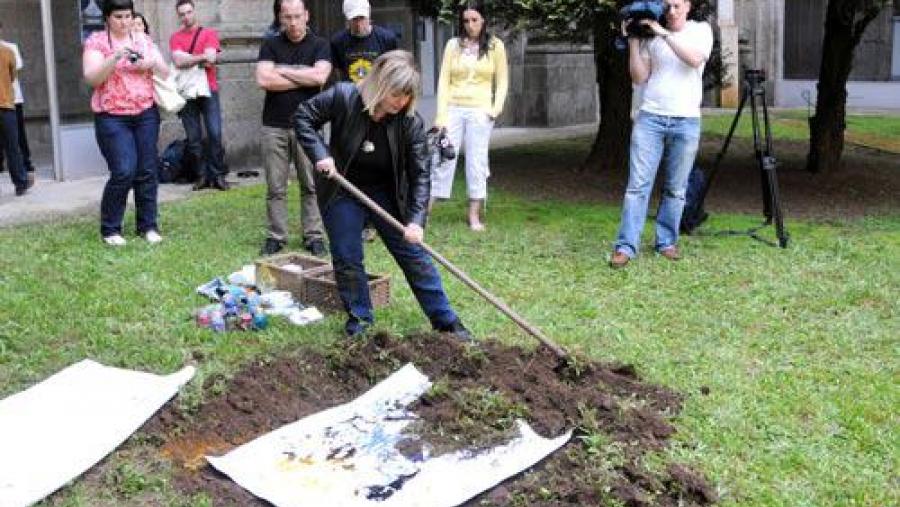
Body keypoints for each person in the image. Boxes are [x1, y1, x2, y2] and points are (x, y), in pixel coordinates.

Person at [294, 50, 471, 340]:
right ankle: (360, 321)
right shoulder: (343, 96)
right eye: (396, 94)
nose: (401, 102)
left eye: (407, 96)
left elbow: (420, 175)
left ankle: (447, 323)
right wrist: (320, 154)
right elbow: (303, 116)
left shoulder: (410, 122)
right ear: (379, 83)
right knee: (347, 256)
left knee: (414, 256)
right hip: (343, 189)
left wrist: (415, 221)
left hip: (387, 194)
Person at [609, 0, 712, 268]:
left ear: (688, 6)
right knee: (637, 186)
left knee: (676, 188)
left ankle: (666, 241)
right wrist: (634, 41)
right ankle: (625, 246)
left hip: (686, 120)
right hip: (650, 118)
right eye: (667, 6)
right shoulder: (650, 35)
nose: (671, 11)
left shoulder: (700, 30)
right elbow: (639, 77)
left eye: (677, 5)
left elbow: (694, 59)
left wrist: (663, 33)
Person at [82, 0, 169, 246]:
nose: (124, 22)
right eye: (118, 17)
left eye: (128, 16)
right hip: (111, 116)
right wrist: (115, 57)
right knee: (123, 170)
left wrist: (149, 63)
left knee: (147, 171)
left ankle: (148, 226)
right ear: (107, 18)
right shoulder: (97, 42)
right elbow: (92, 78)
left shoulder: (142, 40)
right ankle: (111, 229)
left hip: (145, 113)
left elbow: (165, 72)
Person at [256, 0, 329, 257]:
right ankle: (276, 236)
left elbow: (320, 77)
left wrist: (282, 70)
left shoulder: (320, 45)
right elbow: (263, 79)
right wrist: (303, 76)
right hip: (274, 125)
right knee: (275, 187)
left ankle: (314, 235)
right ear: (280, 18)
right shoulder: (270, 44)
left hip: (308, 126)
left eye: (297, 16)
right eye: (287, 17)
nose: (293, 22)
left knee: (312, 185)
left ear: (306, 15)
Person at [431, 1, 508, 232]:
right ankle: (425, 209)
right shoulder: (452, 45)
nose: (470, 25)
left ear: (483, 20)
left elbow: (502, 81)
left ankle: (474, 214)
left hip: (480, 110)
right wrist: (441, 116)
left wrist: (494, 110)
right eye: (466, 20)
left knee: (477, 161)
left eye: (474, 20)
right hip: (453, 108)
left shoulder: (495, 46)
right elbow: (443, 81)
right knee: (443, 157)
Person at [330, 0, 398, 243]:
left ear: (369, 16)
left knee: (378, 162)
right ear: (347, 20)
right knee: (352, 163)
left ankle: (378, 217)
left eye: (361, 18)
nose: (358, 24)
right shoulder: (338, 42)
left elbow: (393, 72)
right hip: (352, 110)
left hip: (379, 108)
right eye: (353, 20)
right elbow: (338, 74)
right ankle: (356, 217)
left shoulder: (386, 39)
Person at [169, 0, 229, 191]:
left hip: (209, 89)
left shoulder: (209, 33)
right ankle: (202, 176)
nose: (186, 17)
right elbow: (178, 62)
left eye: (189, 12)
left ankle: (217, 175)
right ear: (178, 16)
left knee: (215, 133)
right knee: (193, 137)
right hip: (187, 92)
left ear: (194, 11)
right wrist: (200, 58)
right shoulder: (175, 38)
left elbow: (211, 59)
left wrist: (189, 59)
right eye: (182, 14)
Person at [0, 22, 35, 190]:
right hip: (6, 104)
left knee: (14, 144)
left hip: (9, 102)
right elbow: (12, 75)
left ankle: (22, 178)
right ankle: (20, 183)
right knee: (12, 145)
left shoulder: (9, 49)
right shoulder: (7, 51)